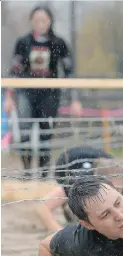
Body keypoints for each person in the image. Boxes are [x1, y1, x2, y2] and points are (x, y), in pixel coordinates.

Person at [3, 5, 82, 178]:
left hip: (50, 94)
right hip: (26, 92)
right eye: (36, 20)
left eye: (43, 20)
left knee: (45, 134)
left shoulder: (58, 43)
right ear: (31, 21)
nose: (40, 24)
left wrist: (75, 99)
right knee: (24, 133)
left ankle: (44, 173)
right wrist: (9, 97)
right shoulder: (23, 42)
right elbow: (14, 71)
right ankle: (27, 172)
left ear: (50, 21)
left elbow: (69, 73)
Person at [36, 146, 123, 233]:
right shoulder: (80, 181)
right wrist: (59, 232)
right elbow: (42, 207)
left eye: (117, 201)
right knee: (80, 203)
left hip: (101, 159)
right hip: (67, 159)